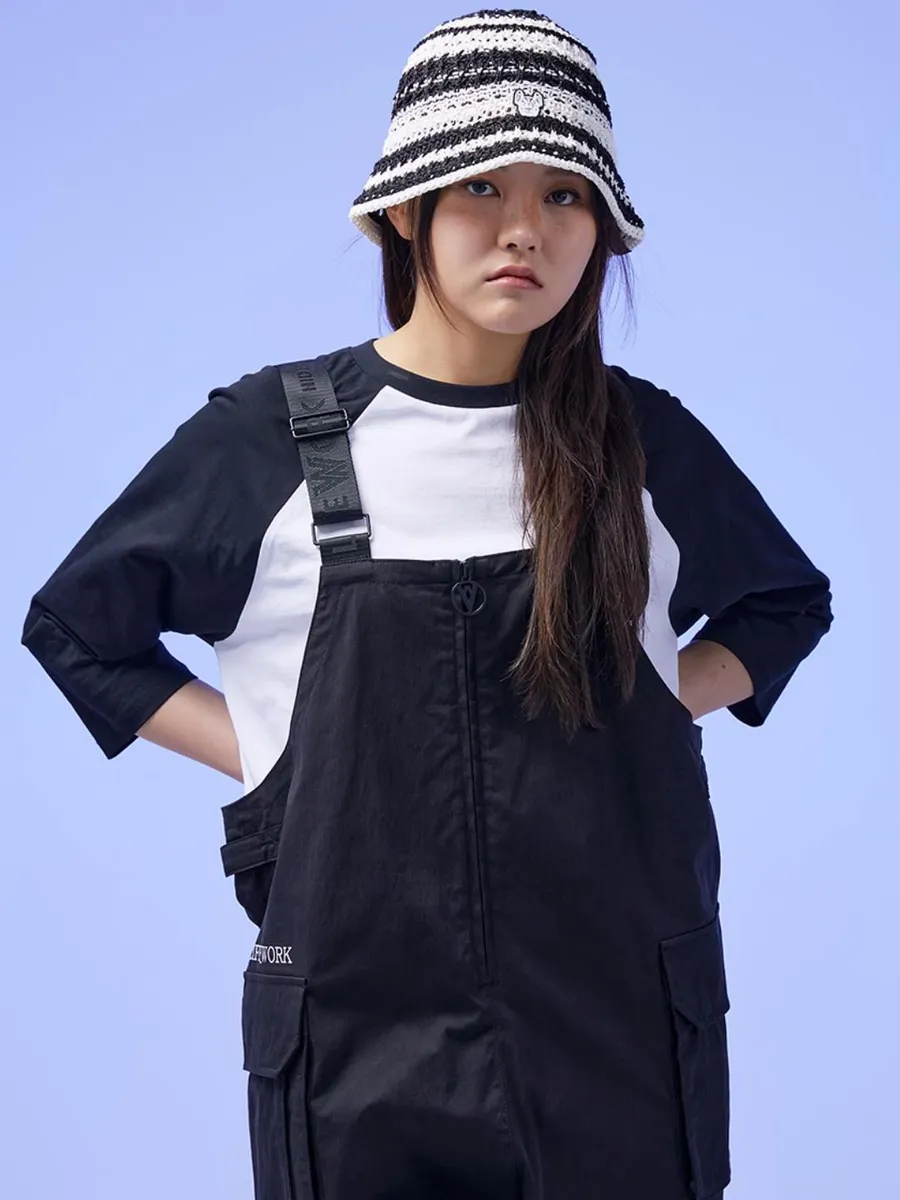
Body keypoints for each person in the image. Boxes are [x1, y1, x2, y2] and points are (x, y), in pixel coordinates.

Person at [21, 8, 833, 1199]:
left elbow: (783, 605)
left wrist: (658, 701)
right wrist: (277, 753)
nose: (525, 228)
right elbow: (78, 629)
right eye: (482, 187)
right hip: (357, 1040)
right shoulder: (275, 440)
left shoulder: (640, 442)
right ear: (408, 211)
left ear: (600, 228)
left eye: (564, 195)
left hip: (619, 1028)